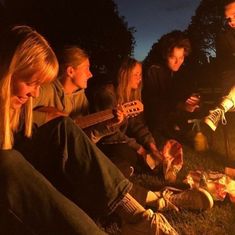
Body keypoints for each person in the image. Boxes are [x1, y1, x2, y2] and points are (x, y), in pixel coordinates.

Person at [0, 25, 181, 235]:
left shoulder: (79, 100)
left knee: (64, 129)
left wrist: (105, 128)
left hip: (36, 162)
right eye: (31, 82)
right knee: (10, 161)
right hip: (14, 170)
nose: (35, 92)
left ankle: (139, 217)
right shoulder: (60, 93)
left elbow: (77, 142)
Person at [32, 46, 213, 213]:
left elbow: (85, 139)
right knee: (109, 167)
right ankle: (160, 197)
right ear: (70, 71)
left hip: (70, 157)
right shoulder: (44, 91)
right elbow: (17, 117)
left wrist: (109, 128)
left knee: (100, 175)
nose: (90, 74)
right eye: (86, 68)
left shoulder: (81, 100)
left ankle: (156, 198)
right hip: (47, 158)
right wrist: (53, 119)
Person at [142, 30, 200, 144]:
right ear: (165, 55)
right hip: (153, 121)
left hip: (172, 117)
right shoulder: (154, 70)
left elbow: (181, 92)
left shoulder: (179, 71)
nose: (178, 62)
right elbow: (153, 104)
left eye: (181, 57)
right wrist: (180, 105)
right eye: (173, 57)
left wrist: (192, 98)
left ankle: (177, 132)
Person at [204, 0, 235, 132]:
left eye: (234, 15)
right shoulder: (224, 37)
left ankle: (220, 109)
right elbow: (225, 69)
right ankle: (224, 105)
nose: (231, 21)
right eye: (228, 18)